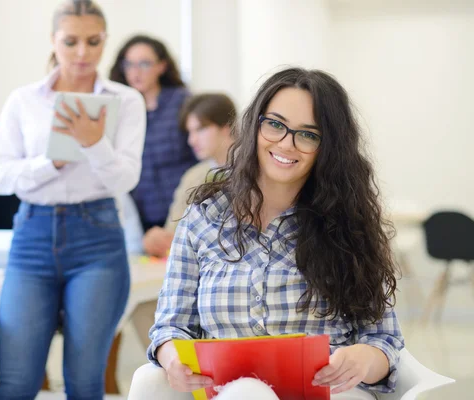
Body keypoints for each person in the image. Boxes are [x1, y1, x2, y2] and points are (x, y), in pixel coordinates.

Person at [129, 67, 405, 400]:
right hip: (227, 390)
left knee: (247, 393)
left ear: (328, 147)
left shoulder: (350, 223)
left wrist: (364, 359)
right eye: (275, 124)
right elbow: (170, 327)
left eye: (308, 134)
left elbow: (384, 339)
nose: (286, 144)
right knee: (154, 381)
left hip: (327, 392)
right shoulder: (203, 217)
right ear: (254, 126)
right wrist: (173, 358)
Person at [0, 1, 146, 399]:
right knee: (18, 380)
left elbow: (126, 178)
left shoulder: (125, 101)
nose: (81, 53)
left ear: (105, 41)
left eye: (93, 42)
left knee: (85, 380)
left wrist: (94, 144)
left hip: (97, 237)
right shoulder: (24, 100)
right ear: (53, 41)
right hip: (32, 236)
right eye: (70, 41)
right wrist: (51, 162)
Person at [109, 35, 197, 232]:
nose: (136, 72)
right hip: (138, 220)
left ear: (161, 66)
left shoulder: (182, 102)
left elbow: (200, 159)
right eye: (129, 64)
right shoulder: (117, 108)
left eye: (144, 64)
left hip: (184, 214)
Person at [142, 93, 236, 258]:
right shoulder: (193, 177)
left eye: (200, 129)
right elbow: (173, 230)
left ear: (227, 127)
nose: (191, 141)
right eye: (189, 132)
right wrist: (157, 239)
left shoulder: (257, 171)